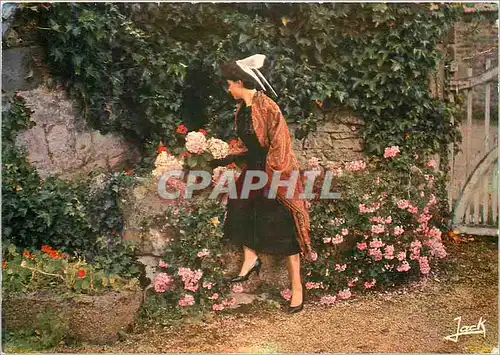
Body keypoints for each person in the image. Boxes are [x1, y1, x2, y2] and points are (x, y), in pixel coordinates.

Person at [211, 54, 312, 314]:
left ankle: (297, 288)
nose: (228, 89)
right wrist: (222, 154)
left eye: (230, 84)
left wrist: (272, 176)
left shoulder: (268, 106)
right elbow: (246, 144)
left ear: (240, 83)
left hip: (273, 171)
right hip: (253, 169)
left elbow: (280, 143)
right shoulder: (242, 110)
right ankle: (250, 258)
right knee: (239, 206)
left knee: (283, 227)